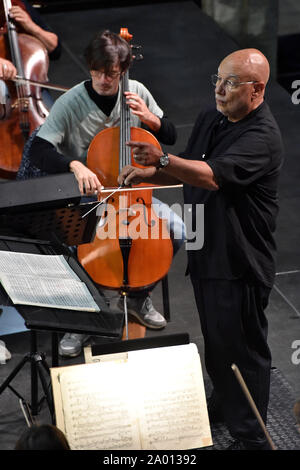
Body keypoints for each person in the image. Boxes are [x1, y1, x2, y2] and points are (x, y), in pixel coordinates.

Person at [118, 48, 283, 450]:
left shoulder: (262, 137)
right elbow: (187, 165)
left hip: (239, 260)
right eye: (218, 79)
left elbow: (210, 177)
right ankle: (226, 404)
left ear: (257, 89)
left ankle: (251, 436)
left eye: (230, 83)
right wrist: (151, 172)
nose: (219, 90)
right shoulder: (213, 116)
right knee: (217, 342)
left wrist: (161, 157)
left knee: (243, 350)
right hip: (206, 247)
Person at [27, 29, 185, 358]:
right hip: (93, 197)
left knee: (179, 231)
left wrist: (151, 119)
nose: (103, 79)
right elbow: (39, 150)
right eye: (97, 72)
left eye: (111, 74)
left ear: (123, 71)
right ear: (90, 67)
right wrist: (74, 164)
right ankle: (82, 318)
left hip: (136, 194)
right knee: (74, 246)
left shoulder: (137, 91)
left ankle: (140, 294)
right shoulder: (72, 101)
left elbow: (169, 135)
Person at [0, 0, 61, 108]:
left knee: (51, 122)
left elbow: (55, 50)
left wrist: (31, 25)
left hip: (31, 88)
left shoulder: (18, 4)